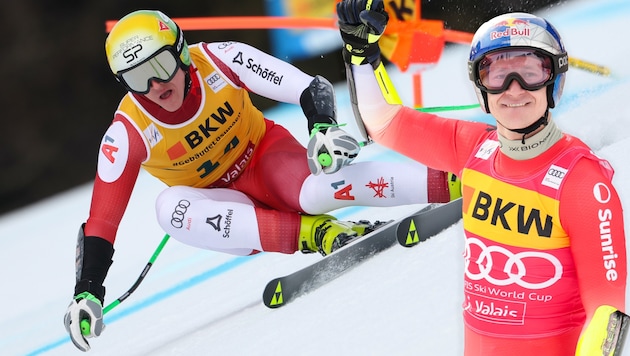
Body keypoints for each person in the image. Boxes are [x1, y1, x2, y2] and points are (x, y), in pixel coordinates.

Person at [62, 9, 459, 352]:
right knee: (168, 210)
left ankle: (454, 182)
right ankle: (317, 235)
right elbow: (102, 223)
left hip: (266, 160)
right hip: (227, 212)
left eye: (161, 66)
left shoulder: (221, 60)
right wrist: (87, 291)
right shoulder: (126, 132)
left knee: (316, 191)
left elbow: (309, 86)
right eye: (137, 78)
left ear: (181, 52)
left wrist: (321, 126)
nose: (155, 86)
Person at [336, 1, 627, 355]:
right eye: (498, 75)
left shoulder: (583, 184)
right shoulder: (473, 148)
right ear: (481, 86)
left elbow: (607, 316)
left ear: (554, 79)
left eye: (531, 71)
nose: (514, 89)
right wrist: (360, 53)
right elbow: (382, 123)